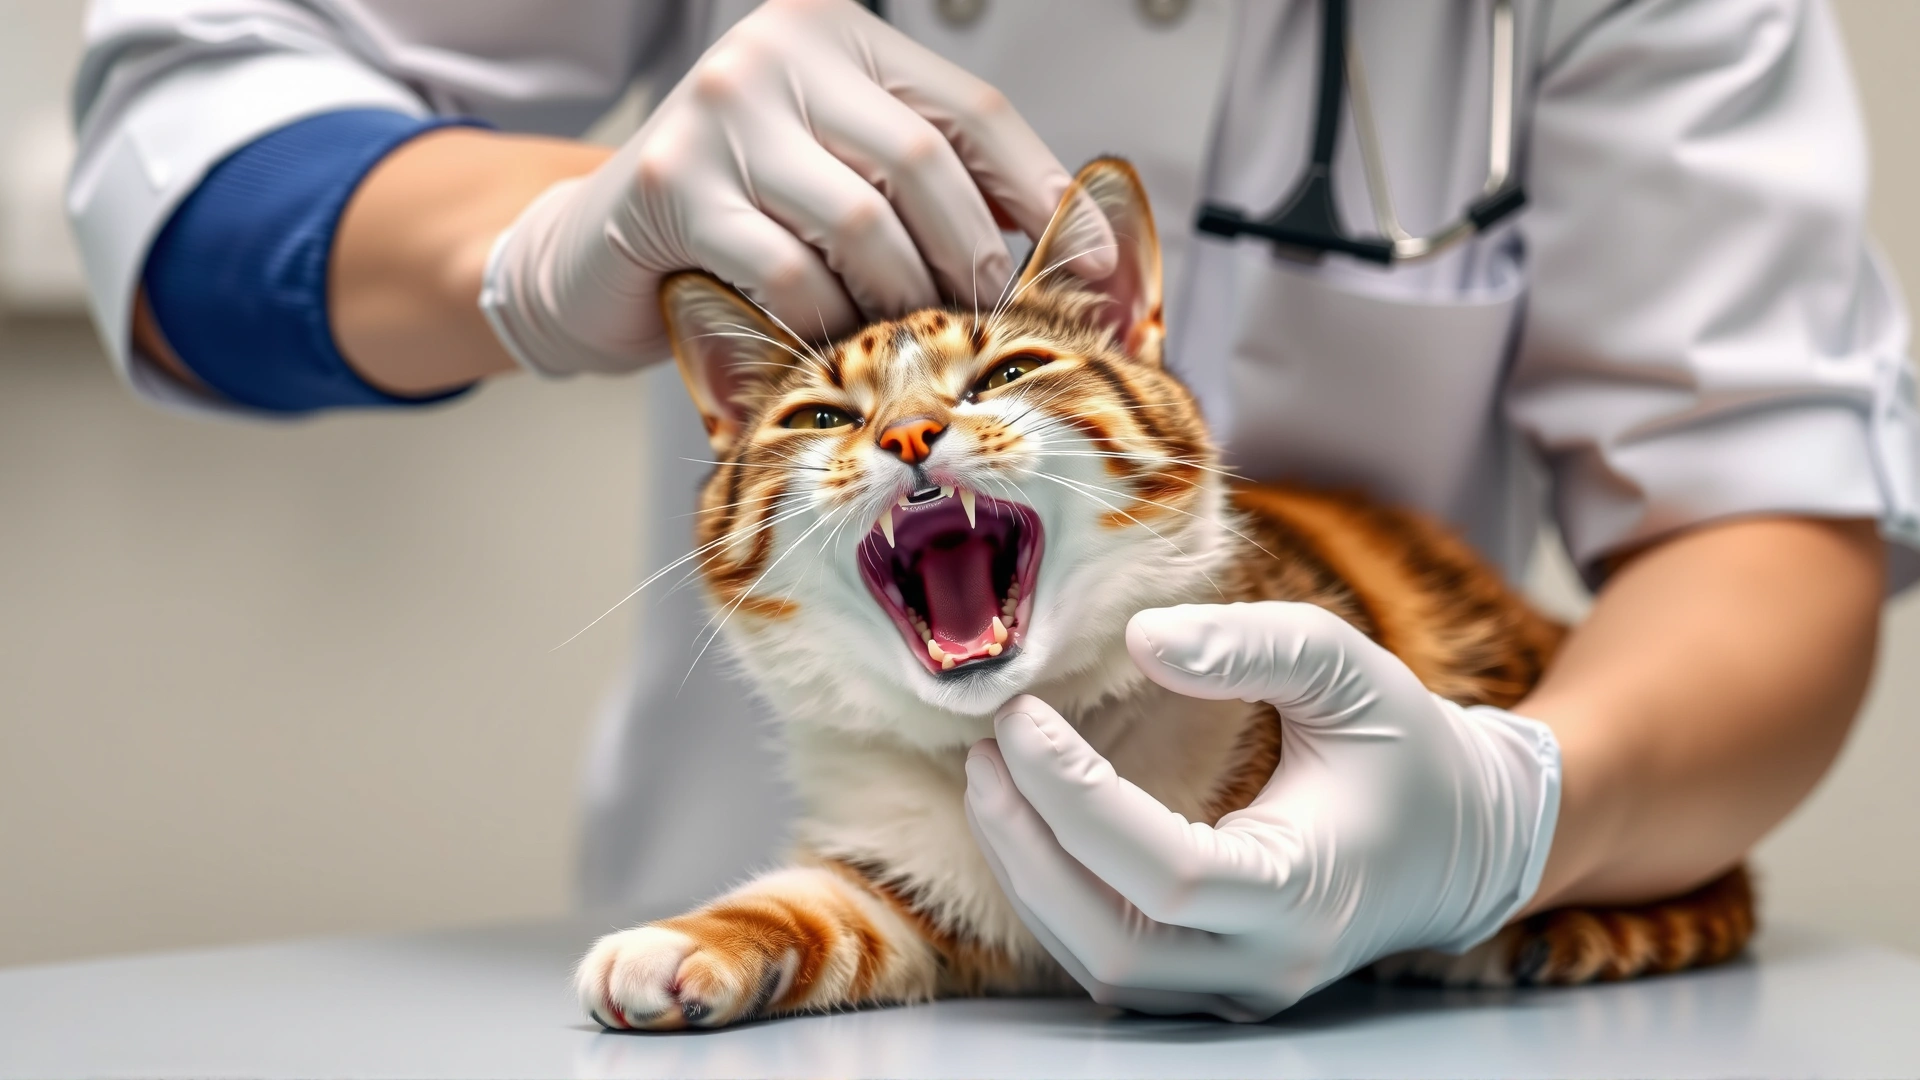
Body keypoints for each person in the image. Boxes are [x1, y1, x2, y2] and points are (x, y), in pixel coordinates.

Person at [70, 0, 1914, 1016]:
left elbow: (1771, 498)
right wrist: (551, 240)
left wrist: (1518, 818)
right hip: (795, 946)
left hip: (1388, 1001)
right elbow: (188, 154)